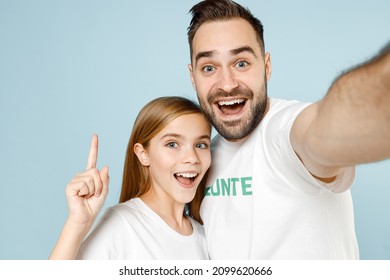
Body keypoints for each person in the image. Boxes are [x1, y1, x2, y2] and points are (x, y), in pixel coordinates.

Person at [187, 0, 390, 259]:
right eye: (209, 68)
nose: (227, 84)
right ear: (193, 76)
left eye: (241, 63)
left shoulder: (283, 131)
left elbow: (320, 130)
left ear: (266, 65)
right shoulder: (197, 162)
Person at [49, 96, 211, 259]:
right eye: (172, 144)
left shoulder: (207, 238)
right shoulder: (123, 224)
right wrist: (77, 223)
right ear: (143, 154)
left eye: (201, 145)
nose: (192, 157)